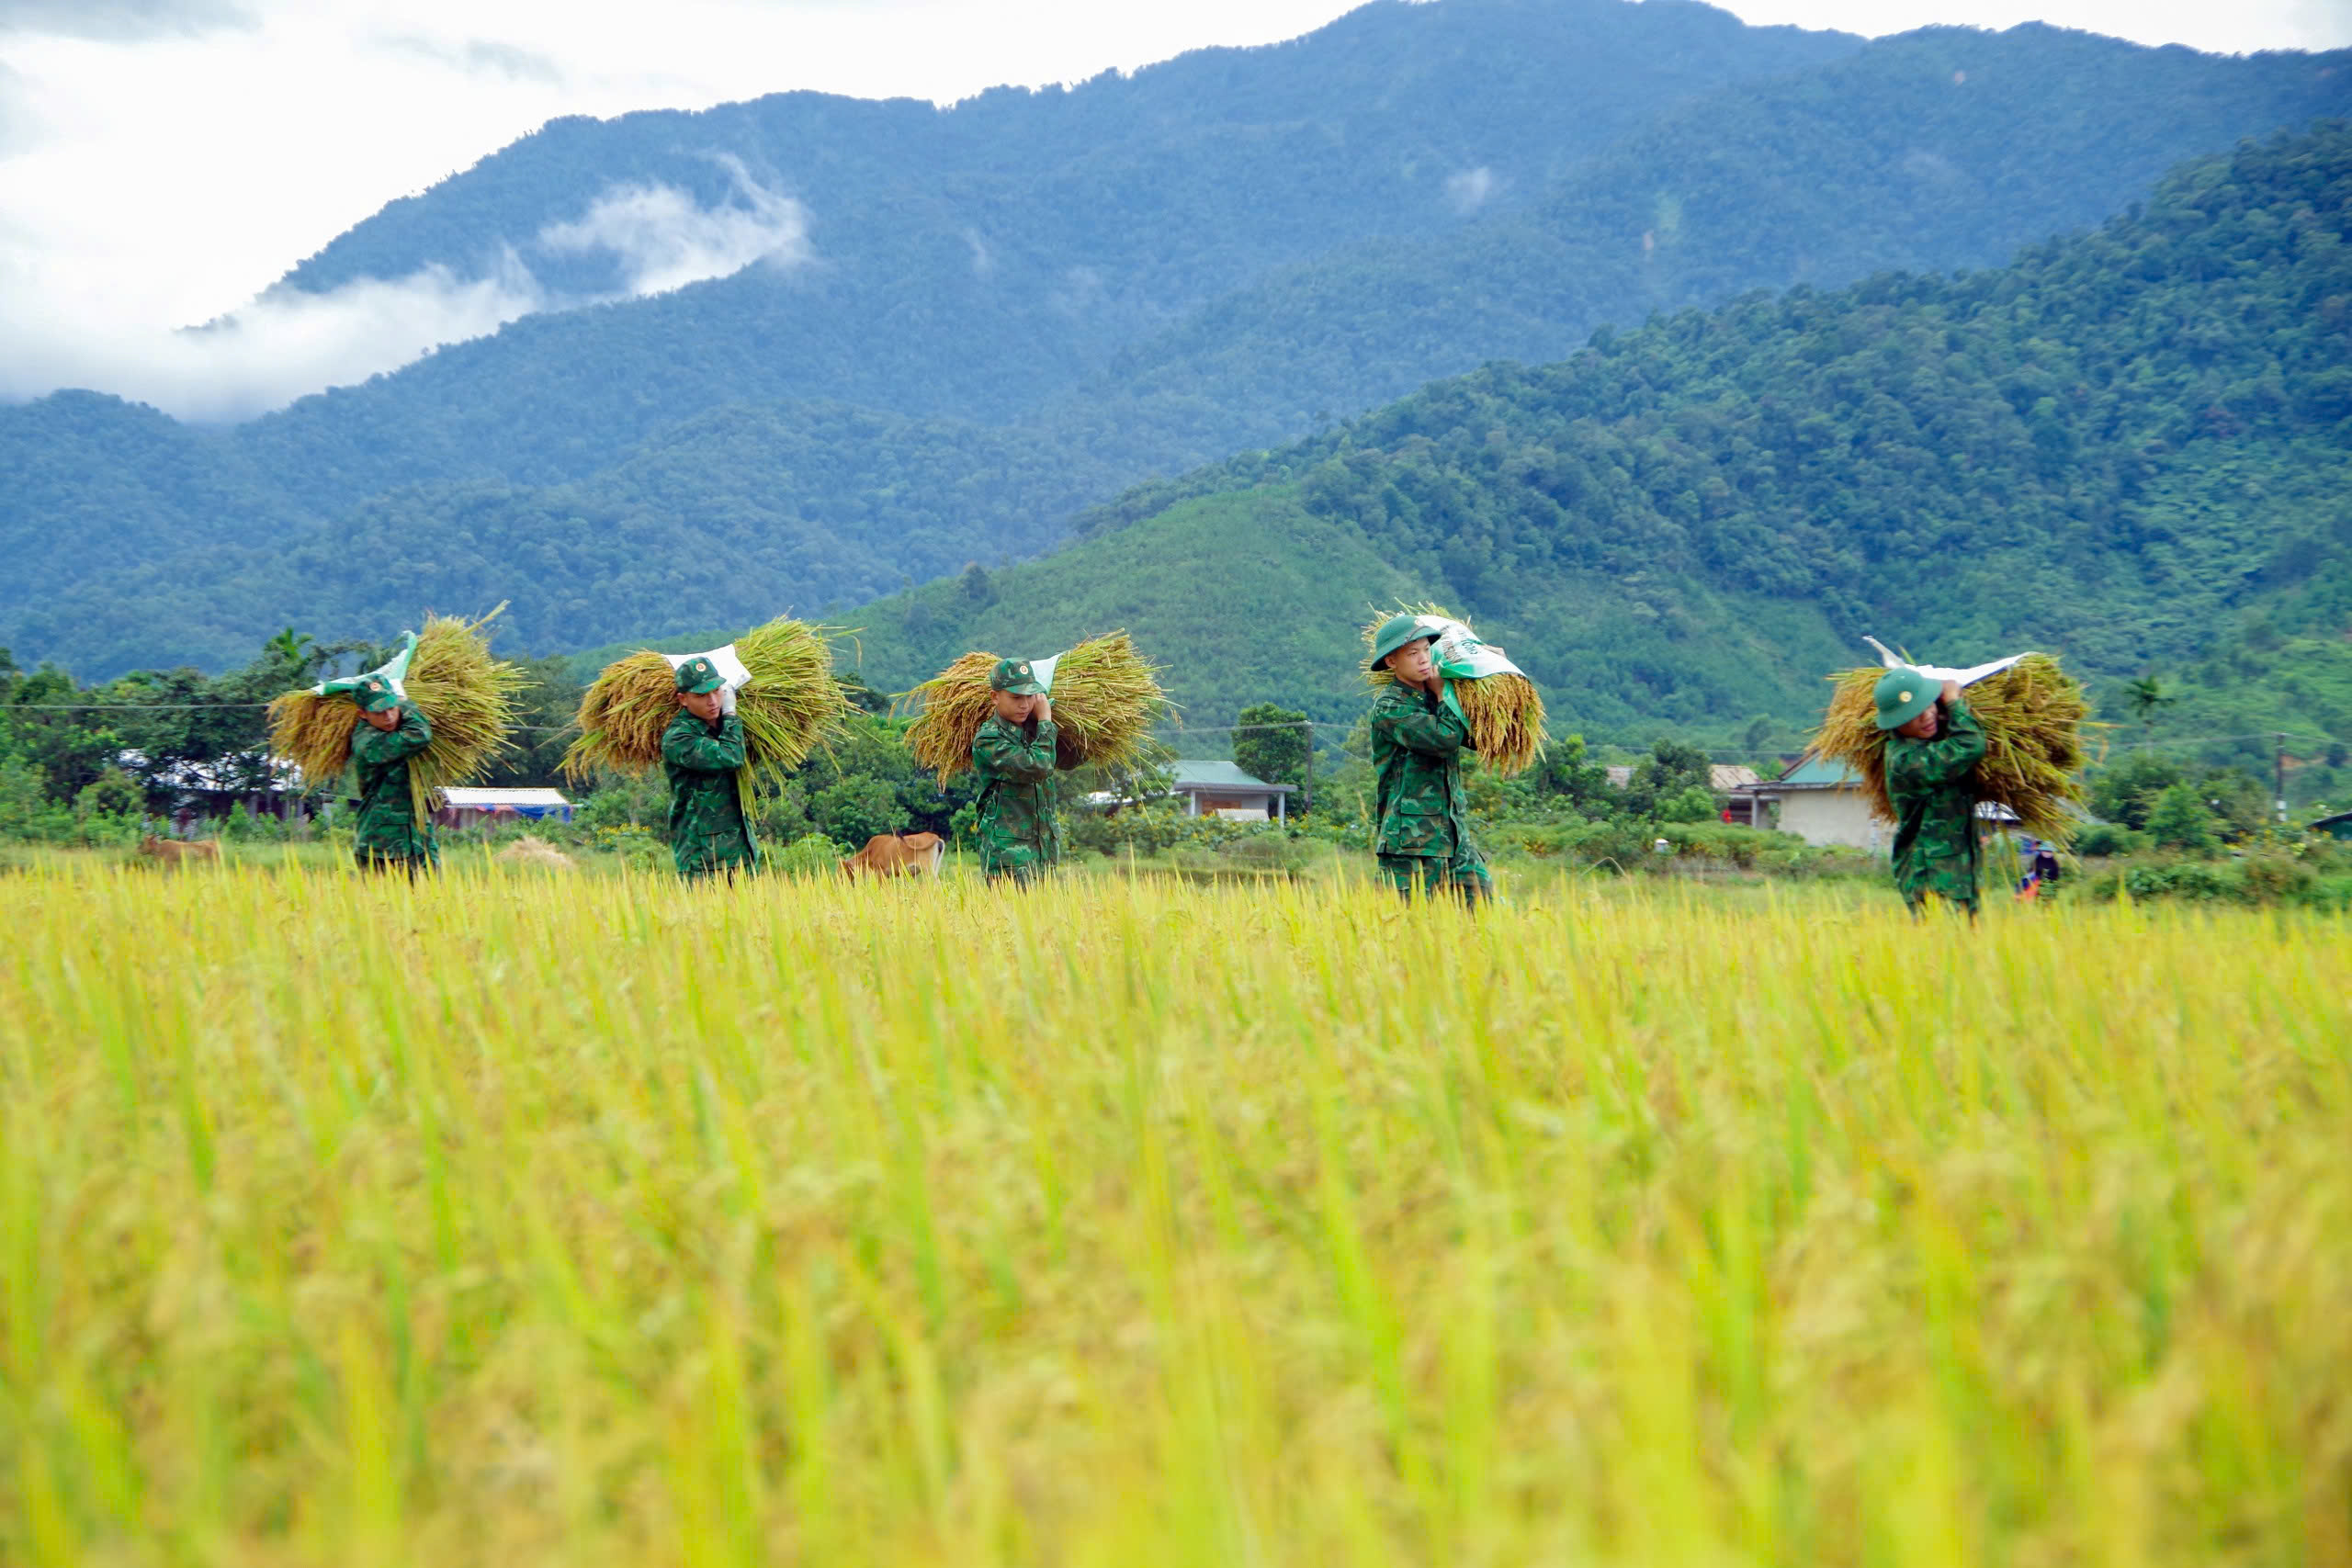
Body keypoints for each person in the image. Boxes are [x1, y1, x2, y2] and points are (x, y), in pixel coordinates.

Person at [1366, 614, 1490, 906]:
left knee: (1483, 911)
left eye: (1426, 650)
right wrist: (1444, 693)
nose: (1423, 659)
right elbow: (1445, 740)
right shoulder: (1390, 707)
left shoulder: (1434, 700)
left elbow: (1475, 738)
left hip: (1454, 837)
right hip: (1411, 844)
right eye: (1413, 653)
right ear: (1392, 662)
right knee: (1407, 926)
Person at [1877, 666, 1988, 918]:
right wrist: (1954, 702)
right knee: (1942, 951)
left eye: (1928, 706)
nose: (1926, 716)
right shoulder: (1907, 761)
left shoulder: (1928, 746)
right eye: (1912, 714)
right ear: (1895, 723)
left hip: (1957, 871)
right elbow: (1970, 745)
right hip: (1931, 875)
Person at [662, 655, 759, 880]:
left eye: (716, 691)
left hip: (742, 851)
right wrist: (732, 715)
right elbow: (731, 757)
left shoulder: (722, 729)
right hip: (703, 859)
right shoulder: (679, 738)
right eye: (701, 695)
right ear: (683, 699)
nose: (713, 701)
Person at [971, 657, 1061, 886]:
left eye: (1030, 697)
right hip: (1009, 859)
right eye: (1016, 697)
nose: (1024, 705)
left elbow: (1071, 759)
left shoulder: (1034, 731)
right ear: (995, 697)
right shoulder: (989, 739)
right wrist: (1046, 721)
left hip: (1044, 855)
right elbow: (1038, 766)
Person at [348, 672, 438, 875]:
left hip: (417, 834)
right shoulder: (368, 743)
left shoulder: (394, 727)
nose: (389, 717)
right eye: (380, 712)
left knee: (432, 900)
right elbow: (420, 735)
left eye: (392, 708)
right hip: (381, 843)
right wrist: (405, 705)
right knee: (382, 903)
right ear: (362, 714)